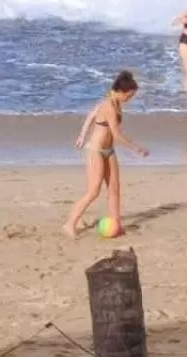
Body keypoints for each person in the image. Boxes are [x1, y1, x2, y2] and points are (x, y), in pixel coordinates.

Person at [63, 70, 148, 237]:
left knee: (114, 189)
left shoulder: (114, 102)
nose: (129, 99)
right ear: (121, 91)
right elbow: (116, 134)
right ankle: (69, 223)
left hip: (109, 151)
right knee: (93, 191)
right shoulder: (108, 106)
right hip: (96, 151)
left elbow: (91, 115)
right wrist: (136, 148)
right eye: (129, 96)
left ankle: (117, 224)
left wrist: (82, 134)